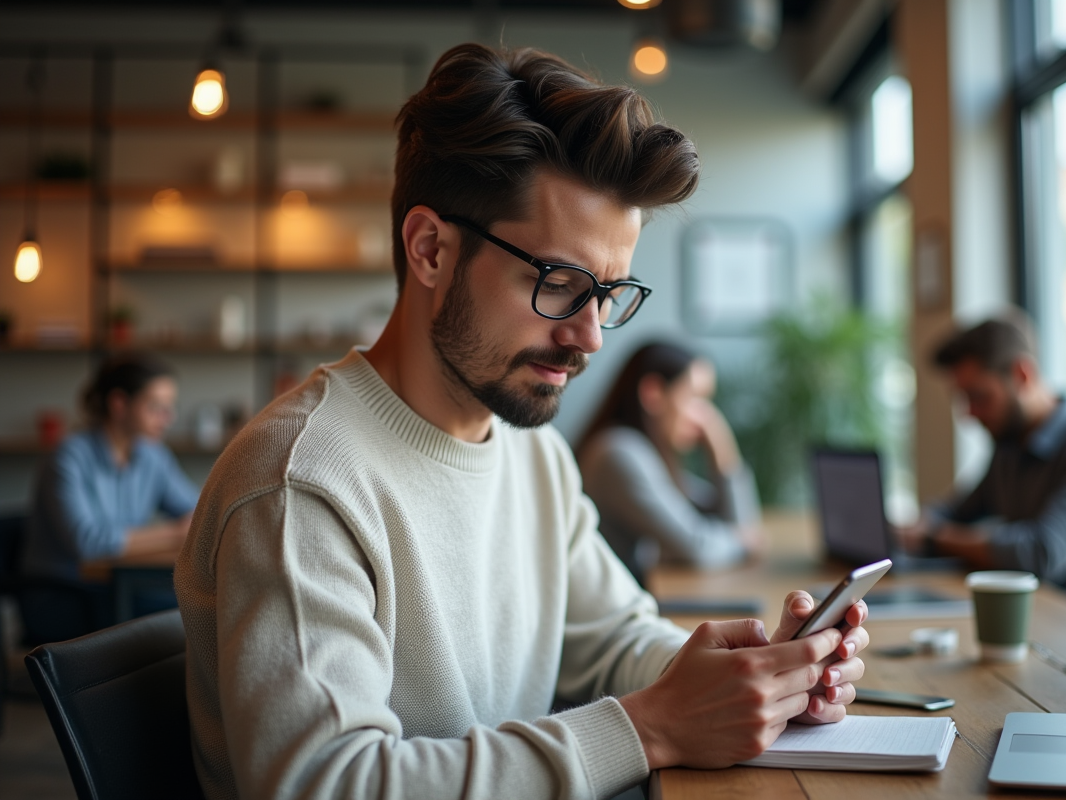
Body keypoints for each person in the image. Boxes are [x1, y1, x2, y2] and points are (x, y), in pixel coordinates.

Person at [174, 44, 871, 800]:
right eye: (560, 283)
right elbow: (326, 784)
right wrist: (652, 727)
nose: (591, 337)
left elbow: (612, 641)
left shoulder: (531, 455)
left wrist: (749, 677)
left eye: (607, 292)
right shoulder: (300, 483)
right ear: (430, 249)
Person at [898, 315, 1066, 602]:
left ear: (1022, 374)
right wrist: (919, 525)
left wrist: (934, 537)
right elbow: (956, 511)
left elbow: (1040, 553)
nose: (969, 413)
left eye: (979, 396)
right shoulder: (1010, 446)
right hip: (1031, 615)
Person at [22, 352, 197, 642]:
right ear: (119, 404)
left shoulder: (153, 455)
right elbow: (88, 543)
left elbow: (199, 511)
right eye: (156, 407)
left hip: (120, 587)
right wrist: (174, 533)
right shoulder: (68, 456)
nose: (169, 418)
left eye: (170, 407)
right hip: (64, 595)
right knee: (183, 614)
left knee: (198, 604)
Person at [576, 342, 762, 582]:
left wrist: (723, 456)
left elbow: (717, 516)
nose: (706, 417)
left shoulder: (647, 452)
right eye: (695, 398)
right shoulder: (619, 453)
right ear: (653, 393)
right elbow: (697, 547)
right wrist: (742, 542)